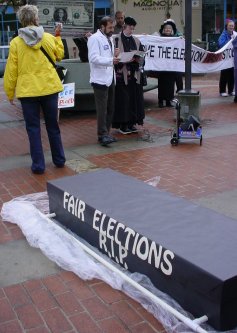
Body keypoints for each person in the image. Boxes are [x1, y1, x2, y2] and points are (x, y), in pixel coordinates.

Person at [4, 4, 66, 174]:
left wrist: (10, 92)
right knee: (53, 126)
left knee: (33, 129)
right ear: (36, 18)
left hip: (28, 91)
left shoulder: (16, 42)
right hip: (49, 88)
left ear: (22, 21)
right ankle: (59, 160)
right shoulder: (47, 37)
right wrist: (58, 36)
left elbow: (11, 70)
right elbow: (59, 55)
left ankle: (38, 165)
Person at [87, 16, 120, 146]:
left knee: (110, 108)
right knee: (102, 109)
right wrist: (110, 60)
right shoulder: (94, 39)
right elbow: (94, 58)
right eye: (110, 27)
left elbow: (107, 56)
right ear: (102, 26)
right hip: (99, 79)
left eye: (113, 27)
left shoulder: (109, 38)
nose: (112, 30)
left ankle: (106, 132)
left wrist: (114, 55)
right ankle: (102, 135)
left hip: (110, 78)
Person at [112, 16, 145, 134]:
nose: (132, 31)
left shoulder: (136, 40)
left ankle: (132, 123)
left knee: (134, 100)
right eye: (130, 28)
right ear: (124, 27)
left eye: (133, 29)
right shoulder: (115, 39)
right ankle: (123, 124)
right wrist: (123, 59)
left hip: (134, 75)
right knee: (123, 101)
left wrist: (138, 59)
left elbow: (142, 57)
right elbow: (111, 56)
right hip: (122, 75)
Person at [158, 21, 177, 107]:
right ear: (163, 30)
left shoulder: (175, 39)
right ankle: (161, 101)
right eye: (166, 28)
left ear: (172, 30)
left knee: (170, 83)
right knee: (162, 83)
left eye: (169, 28)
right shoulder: (159, 39)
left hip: (170, 65)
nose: (167, 30)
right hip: (161, 65)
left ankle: (169, 100)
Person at [218, 20, 237, 97]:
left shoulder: (235, 34)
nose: (231, 27)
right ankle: (222, 91)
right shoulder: (223, 35)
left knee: (232, 75)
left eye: (232, 26)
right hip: (225, 58)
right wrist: (230, 40)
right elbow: (220, 44)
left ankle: (230, 90)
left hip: (232, 58)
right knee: (224, 74)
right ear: (227, 26)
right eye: (230, 25)